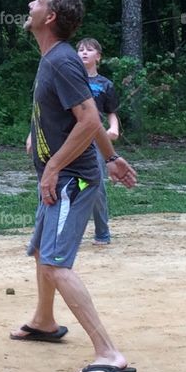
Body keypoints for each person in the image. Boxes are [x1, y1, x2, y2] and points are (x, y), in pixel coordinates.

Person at [11, 0, 138, 372]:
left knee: (54, 263)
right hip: (63, 176)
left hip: (71, 180)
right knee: (40, 253)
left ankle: (109, 353)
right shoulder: (55, 58)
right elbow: (89, 117)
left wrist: (53, 169)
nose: (30, 3)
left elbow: (87, 121)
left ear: (49, 17)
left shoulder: (62, 62)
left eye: (38, 1)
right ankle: (45, 321)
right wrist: (113, 157)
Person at [77, 37, 121, 246]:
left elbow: (111, 113)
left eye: (89, 50)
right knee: (63, 184)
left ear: (98, 56)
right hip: (69, 138)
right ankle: (63, 233)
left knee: (95, 186)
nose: (84, 53)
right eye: (80, 50)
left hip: (95, 140)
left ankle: (102, 233)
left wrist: (114, 128)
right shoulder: (70, 80)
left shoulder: (105, 84)